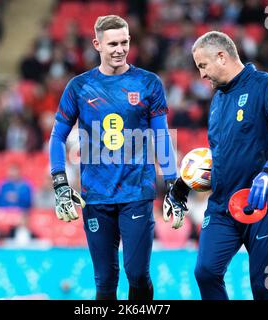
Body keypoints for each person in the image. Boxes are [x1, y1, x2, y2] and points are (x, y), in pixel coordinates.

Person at [49, 15, 177, 300]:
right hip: (95, 195)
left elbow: (161, 137)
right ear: (97, 44)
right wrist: (60, 182)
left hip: (137, 192)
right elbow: (57, 136)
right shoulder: (79, 87)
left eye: (125, 42)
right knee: (105, 281)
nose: (120, 49)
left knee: (136, 274)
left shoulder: (148, 83)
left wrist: (173, 183)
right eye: (113, 44)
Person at [166, 31, 268, 300]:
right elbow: (217, 154)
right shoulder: (217, 100)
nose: (202, 75)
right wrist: (182, 186)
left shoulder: (267, 86)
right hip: (222, 205)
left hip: (266, 203)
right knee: (205, 271)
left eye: (203, 66)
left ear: (221, 56)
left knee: (264, 288)